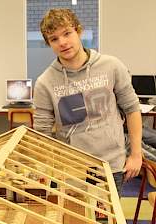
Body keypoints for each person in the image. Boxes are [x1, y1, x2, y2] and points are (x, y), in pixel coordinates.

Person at [33, 8, 142, 194]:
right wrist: (49, 168)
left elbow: (132, 109)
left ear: (79, 31)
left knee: (107, 222)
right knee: (72, 222)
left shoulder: (111, 66)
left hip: (111, 165)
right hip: (71, 169)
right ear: (49, 43)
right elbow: (42, 133)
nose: (63, 43)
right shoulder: (45, 83)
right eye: (54, 39)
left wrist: (136, 154)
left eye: (67, 33)